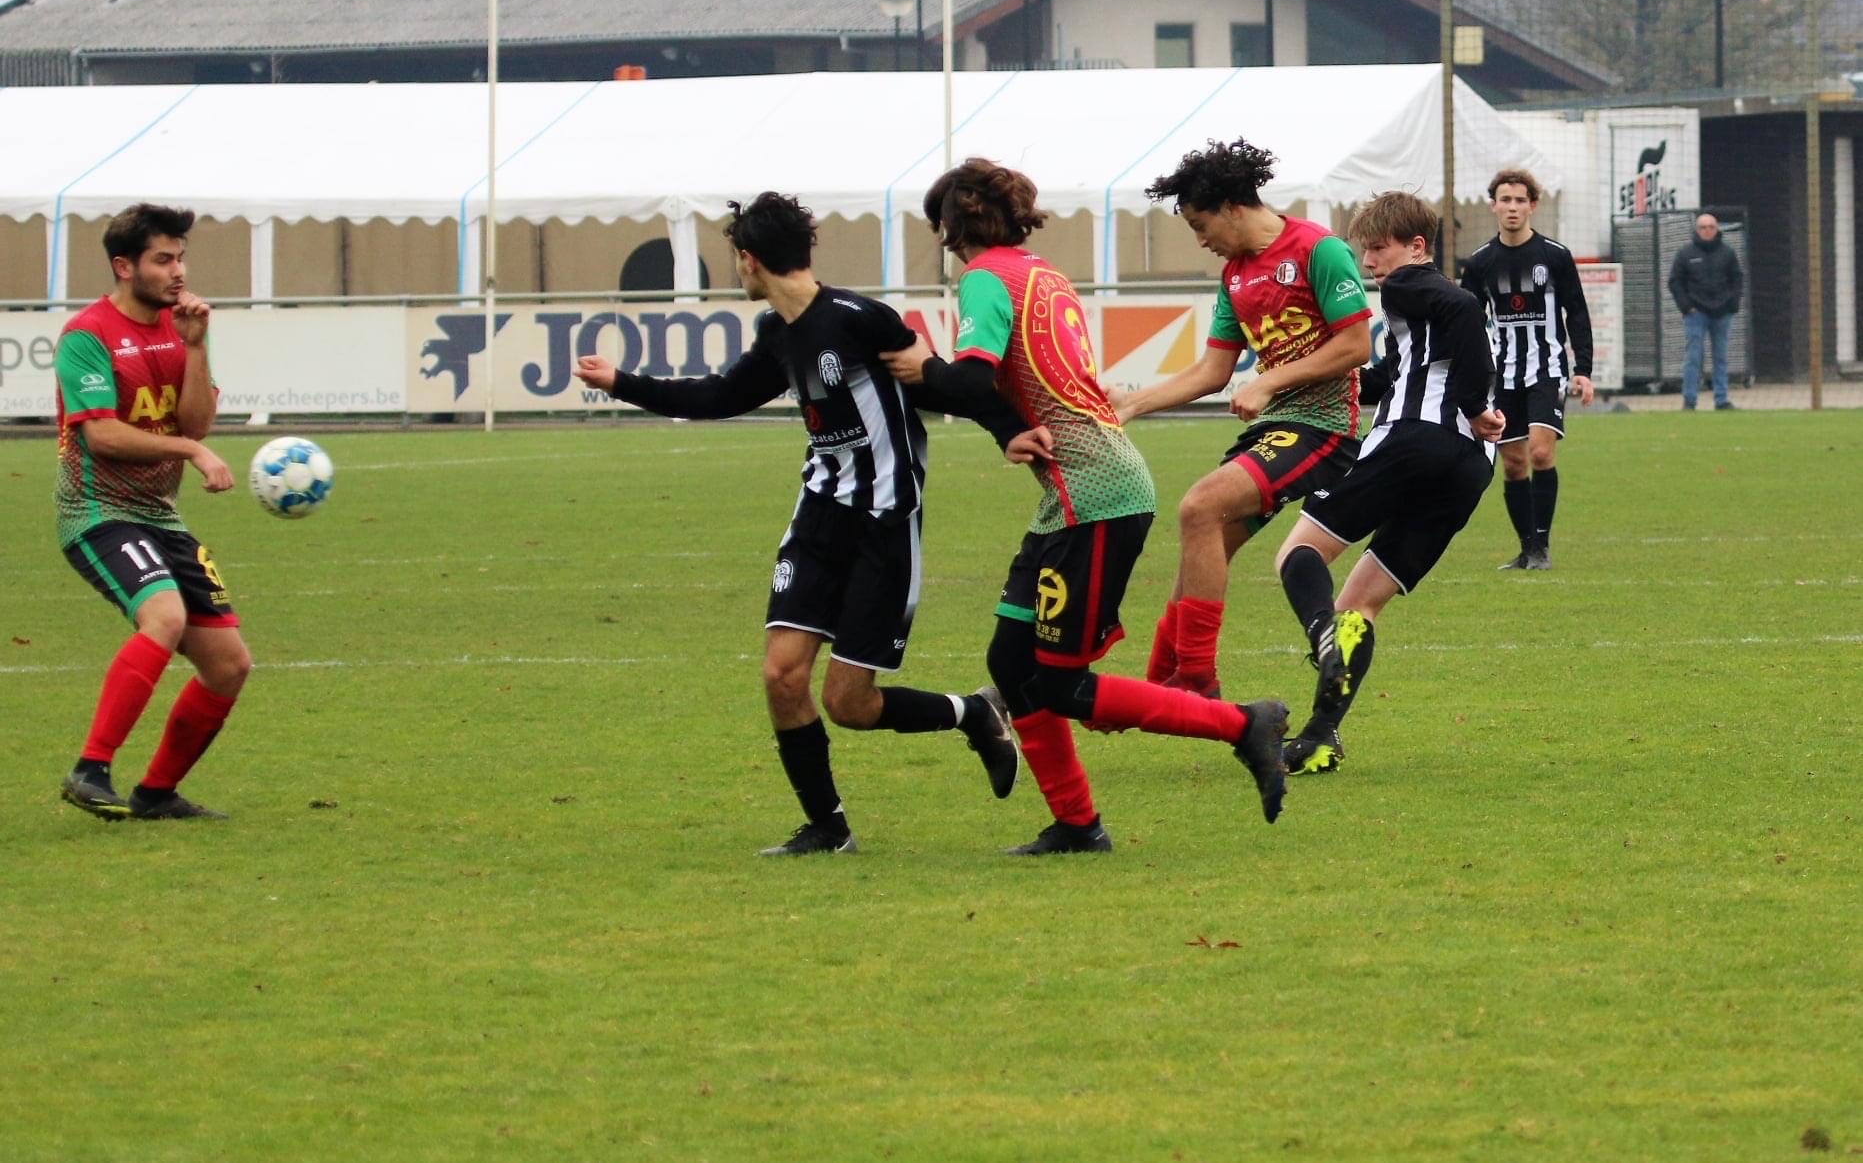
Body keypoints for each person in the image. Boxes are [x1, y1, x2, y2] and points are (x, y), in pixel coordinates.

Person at [571, 192, 1026, 857]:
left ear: (749, 260)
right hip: (819, 514)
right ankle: (826, 827)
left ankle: (973, 714)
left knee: (850, 703)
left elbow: (941, 384)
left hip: (883, 519)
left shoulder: (858, 319)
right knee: (781, 676)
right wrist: (621, 382)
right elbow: (719, 397)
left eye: (737, 259)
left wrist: (1008, 432)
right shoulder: (777, 336)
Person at [881, 158, 1290, 855]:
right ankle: (1075, 825)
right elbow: (998, 389)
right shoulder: (1042, 272)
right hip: (1073, 495)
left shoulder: (984, 279)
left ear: (949, 226)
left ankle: (1241, 724)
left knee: (1059, 684)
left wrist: (917, 371)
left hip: (1096, 494)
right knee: (1011, 666)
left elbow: (973, 379)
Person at [1111, 138, 1373, 699]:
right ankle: (1161, 684)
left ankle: (1198, 682)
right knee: (1202, 549)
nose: (1200, 239)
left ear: (1233, 206)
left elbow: (1355, 346)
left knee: (1199, 507)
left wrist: (1270, 379)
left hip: (1325, 429)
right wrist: (1133, 403)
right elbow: (1211, 370)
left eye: (1200, 224)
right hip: (1278, 429)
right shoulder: (1234, 274)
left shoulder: (1317, 250)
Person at [1274, 192, 1505, 774]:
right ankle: (1321, 737)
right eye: (1365, 250)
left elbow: (1463, 310)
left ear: (1416, 247)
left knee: (1299, 551)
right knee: (1360, 603)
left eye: (1378, 248)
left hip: (1414, 439)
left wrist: (1475, 403)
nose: (1369, 261)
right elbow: (1390, 375)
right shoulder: (1420, 317)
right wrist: (1303, 381)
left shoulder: (1410, 287)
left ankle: (1321, 638)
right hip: (1471, 465)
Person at [55, 203, 249, 822]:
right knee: (162, 616)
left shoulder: (183, 325)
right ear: (124, 266)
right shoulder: (87, 335)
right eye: (163, 259)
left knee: (228, 665)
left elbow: (195, 420)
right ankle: (91, 768)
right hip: (97, 512)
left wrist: (194, 349)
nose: (178, 271)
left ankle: (156, 794)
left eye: (181, 257)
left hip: (162, 519)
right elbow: (103, 437)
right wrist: (191, 450)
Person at [1459, 168, 1593, 572]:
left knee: (1538, 453)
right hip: (1503, 375)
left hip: (1548, 370)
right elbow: (1465, 321)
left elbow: (1578, 313)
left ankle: (1542, 547)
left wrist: (1583, 369)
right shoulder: (1481, 262)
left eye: (1520, 200)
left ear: (1532, 206)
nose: (1512, 207)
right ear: (1493, 205)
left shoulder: (1554, 255)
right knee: (1513, 463)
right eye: (1505, 199)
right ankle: (1525, 549)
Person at [1668, 212, 1744, 411]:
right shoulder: (1685, 254)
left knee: (1721, 357)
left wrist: (1732, 304)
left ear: (1716, 229)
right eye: (1703, 227)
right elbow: (1675, 282)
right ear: (1697, 229)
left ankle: (1721, 399)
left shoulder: (1727, 253)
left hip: (1722, 312)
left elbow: (1737, 279)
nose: (1707, 230)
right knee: (1693, 356)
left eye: (1711, 227)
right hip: (1696, 313)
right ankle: (1689, 400)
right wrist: (1687, 307)